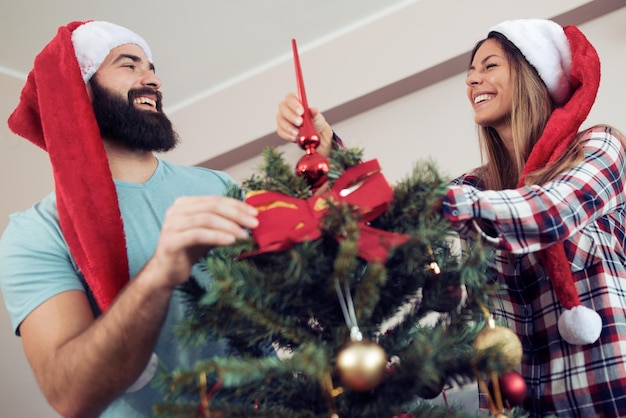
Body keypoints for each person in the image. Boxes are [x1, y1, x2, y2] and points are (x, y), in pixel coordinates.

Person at [276, 19, 626, 417]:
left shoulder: (597, 147)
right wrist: (329, 156)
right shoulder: (473, 188)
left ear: (533, 73)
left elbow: (547, 211)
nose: (473, 80)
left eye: (489, 66)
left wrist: (430, 201)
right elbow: (396, 228)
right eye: (470, 72)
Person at [0, 20, 334, 418]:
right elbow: (70, 394)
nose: (152, 79)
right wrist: (160, 271)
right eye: (129, 65)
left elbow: (308, 283)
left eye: (152, 67)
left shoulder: (217, 185)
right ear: (80, 90)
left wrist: (322, 165)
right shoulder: (36, 231)